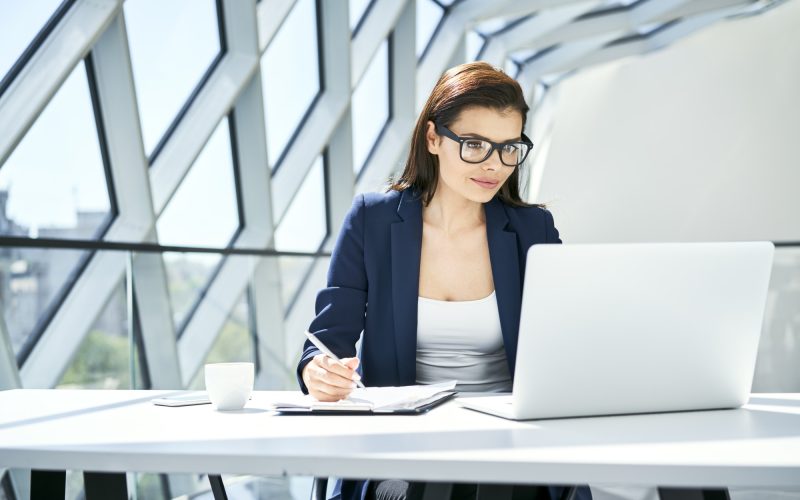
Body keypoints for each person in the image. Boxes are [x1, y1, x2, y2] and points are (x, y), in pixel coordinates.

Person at [296, 62, 591, 500]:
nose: (495, 164)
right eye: (474, 145)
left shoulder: (534, 230)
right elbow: (324, 344)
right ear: (433, 138)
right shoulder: (372, 222)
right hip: (404, 444)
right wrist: (317, 372)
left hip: (510, 440)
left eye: (509, 147)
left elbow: (570, 344)